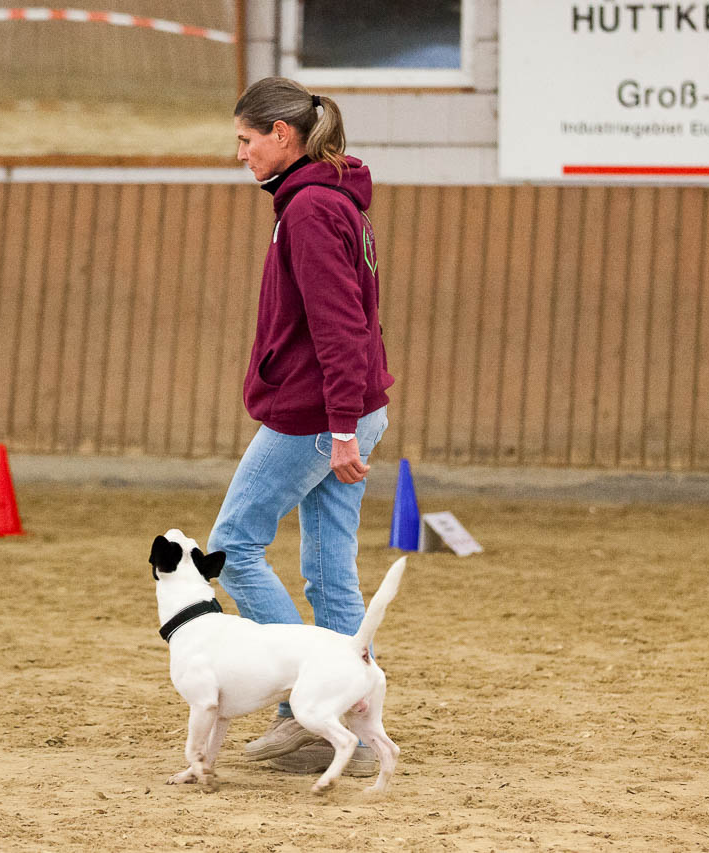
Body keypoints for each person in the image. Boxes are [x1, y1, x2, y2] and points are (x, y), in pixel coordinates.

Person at [206, 77, 394, 777]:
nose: (241, 154)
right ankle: (347, 724)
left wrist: (340, 426)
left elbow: (339, 326)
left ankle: (298, 702)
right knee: (330, 571)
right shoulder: (332, 198)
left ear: (282, 135)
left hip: (318, 416)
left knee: (232, 546)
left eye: (246, 140)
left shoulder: (310, 208)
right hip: (350, 408)